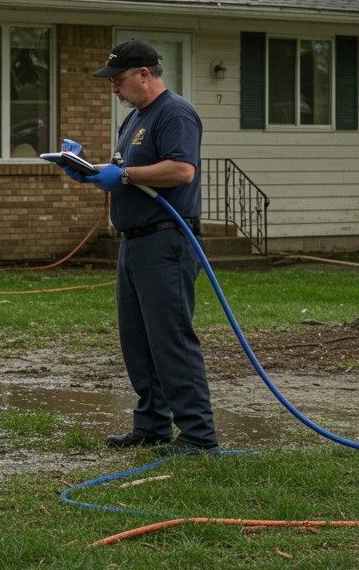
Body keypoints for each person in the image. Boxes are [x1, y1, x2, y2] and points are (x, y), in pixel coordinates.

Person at [64, 38, 218, 452]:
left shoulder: (175, 113)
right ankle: (151, 425)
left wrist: (126, 176)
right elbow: (127, 169)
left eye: (118, 80)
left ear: (144, 74)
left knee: (170, 339)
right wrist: (93, 171)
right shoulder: (134, 119)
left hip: (165, 241)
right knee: (138, 340)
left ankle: (199, 436)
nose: (113, 88)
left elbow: (181, 170)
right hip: (133, 244)